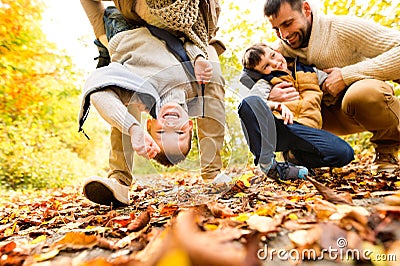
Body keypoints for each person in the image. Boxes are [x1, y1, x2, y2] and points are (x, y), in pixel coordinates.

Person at [78, 0, 227, 207]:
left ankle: (118, 181)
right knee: (213, 76)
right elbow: (190, 43)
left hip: (118, 30)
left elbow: (97, 90)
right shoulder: (195, 87)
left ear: (150, 126)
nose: (171, 127)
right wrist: (199, 57)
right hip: (159, 23)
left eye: (161, 133)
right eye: (179, 134)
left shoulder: (139, 97)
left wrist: (132, 127)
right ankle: (213, 173)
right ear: (190, 126)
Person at [262, 0, 400, 173]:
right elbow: (246, 88)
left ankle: (387, 151)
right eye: (276, 29)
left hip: (363, 105)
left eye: (288, 24)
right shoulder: (278, 53)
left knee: (363, 93)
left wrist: (346, 75)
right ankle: (299, 156)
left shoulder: (342, 28)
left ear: (306, 9)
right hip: (321, 117)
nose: (284, 35)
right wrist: (270, 96)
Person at [239, 43, 354, 180]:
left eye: (273, 56)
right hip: (282, 127)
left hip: (308, 131)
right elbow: (252, 104)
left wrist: (345, 74)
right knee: (247, 104)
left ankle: (296, 159)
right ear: (261, 72)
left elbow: (334, 82)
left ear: (277, 51)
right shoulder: (267, 82)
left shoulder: (311, 72)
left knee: (345, 153)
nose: (275, 63)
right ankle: (269, 165)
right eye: (266, 66)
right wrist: (276, 105)